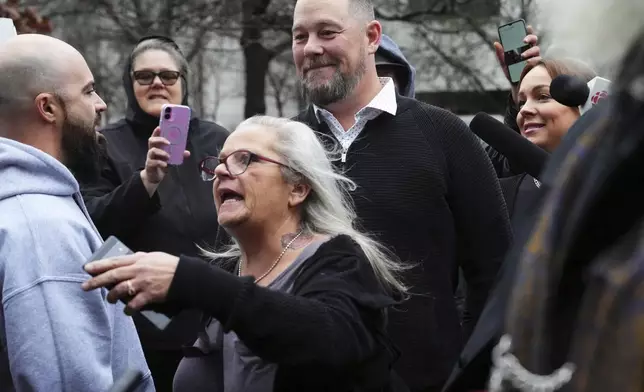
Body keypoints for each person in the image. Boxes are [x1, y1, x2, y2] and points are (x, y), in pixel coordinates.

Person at [82, 115, 409, 391]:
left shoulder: (337, 259)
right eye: (220, 162)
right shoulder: (230, 271)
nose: (222, 171)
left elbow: (330, 340)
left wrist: (191, 280)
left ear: (297, 188)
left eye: (245, 159)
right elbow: (162, 310)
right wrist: (90, 247)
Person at [291, 0, 513, 390]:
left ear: (372, 37)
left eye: (327, 32)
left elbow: (496, 273)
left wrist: (466, 371)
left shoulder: (445, 135)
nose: (310, 48)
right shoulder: (279, 146)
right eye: (299, 36)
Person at [0, 34, 153, 391]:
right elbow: (67, 381)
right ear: (48, 107)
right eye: (88, 91)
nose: (100, 104)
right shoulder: (40, 229)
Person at [80, 35, 229, 391]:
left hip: (220, 315)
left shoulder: (217, 139)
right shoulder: (104, 144)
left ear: (183, 82)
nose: (157, 83)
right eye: (144, 76)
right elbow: (93, 226)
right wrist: (146, 181)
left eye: (168, 75)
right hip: (147, 323)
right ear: (130, 85)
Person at [441, 57, 597, 392]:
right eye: (521, 100)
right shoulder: (501, 193)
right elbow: (472, 303)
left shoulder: (621, 197)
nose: (525, 109)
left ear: (591, 100)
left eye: (542, 96)